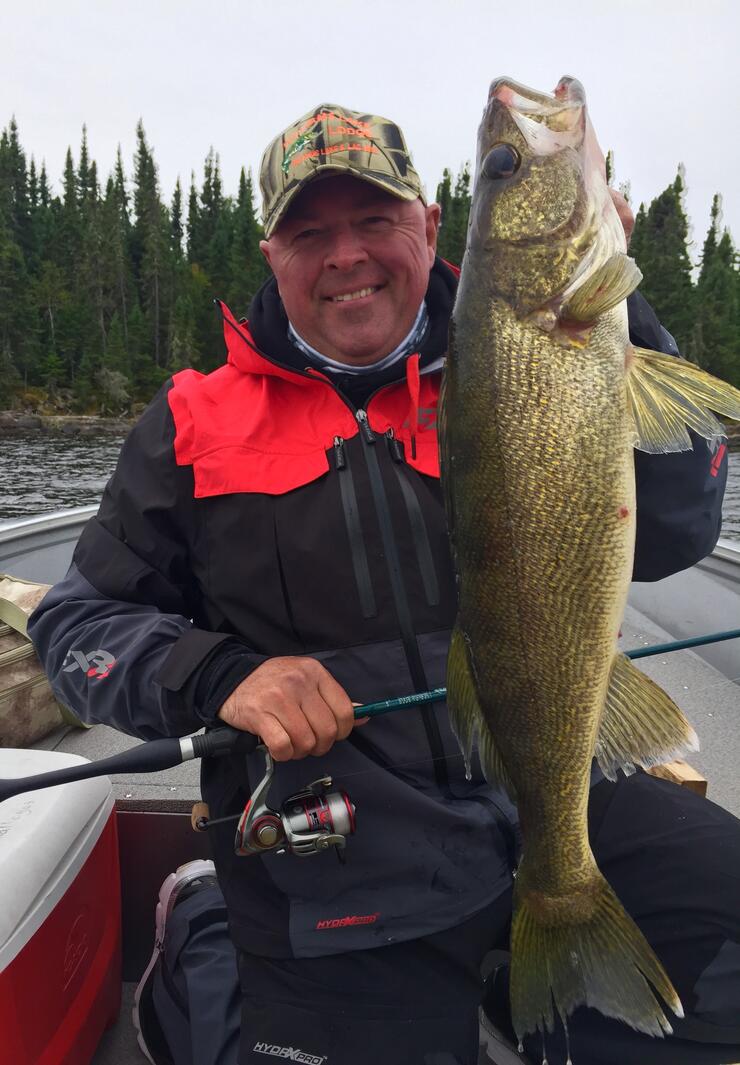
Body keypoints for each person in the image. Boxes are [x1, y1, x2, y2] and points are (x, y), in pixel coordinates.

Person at [29, 104, 740, 1065]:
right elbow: (76, 626)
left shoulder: (519, 362)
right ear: (273, 254)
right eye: (310, 231)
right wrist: (221, 675)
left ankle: (528, 981)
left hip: (548, 787)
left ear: (433, 226)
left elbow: (678, 531)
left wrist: (616, 311)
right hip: (335, 852)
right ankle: (199, 926)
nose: (346, 255)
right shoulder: (193, 420)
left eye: (374, 221)